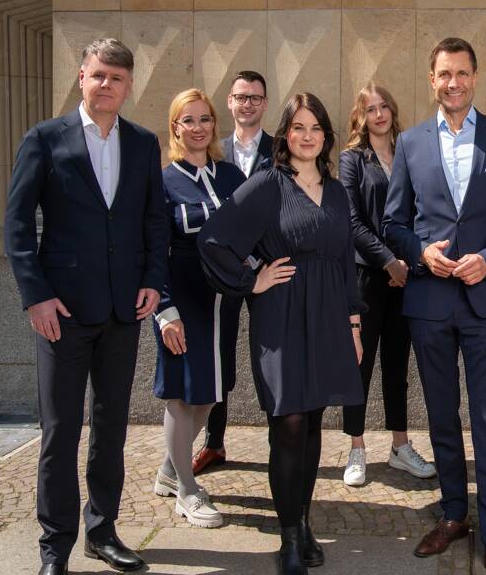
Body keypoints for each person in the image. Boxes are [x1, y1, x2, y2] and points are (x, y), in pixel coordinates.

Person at [3, 38, 169, 575]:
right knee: (60, 431)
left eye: (117, 78)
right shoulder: (44, 139)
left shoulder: (142, 143)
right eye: (98, 75)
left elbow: (154, 220)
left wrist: (153, 280)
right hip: (62, 313)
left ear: (128, 85)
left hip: (124, 310)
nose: (106, 85)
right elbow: (17, 225)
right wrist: (36, 296)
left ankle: (102, 531)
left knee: (111, 427)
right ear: (81, 77)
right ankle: (54, 548)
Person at [383, 37, 486, 575]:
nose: (454, 83)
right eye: (444, 74)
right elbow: (393, 223)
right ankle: (453, 514)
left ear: (475, 76)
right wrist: (420, 253)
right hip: (429, 303)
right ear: (432, 80)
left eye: (463, 73)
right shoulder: (410, 142)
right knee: (442, 417)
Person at [198, 93, 365, 575]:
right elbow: (213, 239)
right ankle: (288, 538)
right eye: (298, 127)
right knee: (288, 423)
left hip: (329, 317)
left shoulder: (337, 192)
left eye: (316, 128)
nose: (307, 136)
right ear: (285, 135)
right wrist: (252, 280)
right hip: (282, 317)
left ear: (326, 136)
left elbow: (345, 263)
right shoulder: (267, 184)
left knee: (311, 424)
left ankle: (304, 523)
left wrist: (354, 323)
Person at [150, 88, 247, 529]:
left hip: (222, 303)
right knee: (182, 392)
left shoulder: (230, 176)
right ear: (175, 127)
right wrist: (164, 310)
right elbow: (152, 250)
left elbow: (251, 230)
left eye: (204, 119)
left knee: (212, 390)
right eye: (188, 120)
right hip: (181, 300)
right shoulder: (163, 181)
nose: (197, 127)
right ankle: (186, 491)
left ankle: (169, 469)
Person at [339, 82, 436, 486]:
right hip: (367, 275)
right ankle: (356, 448)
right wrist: (387, 261)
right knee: (358, 364)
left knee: (397, 365)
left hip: (406, 276)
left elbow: (421, 211)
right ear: (360, 117)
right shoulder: (352, 159)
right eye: (370, 109)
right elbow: (351, 220)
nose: (378, 114)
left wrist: (408, 261)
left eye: (384, 107)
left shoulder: (409, 152)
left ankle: (400, 446)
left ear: (393, 111)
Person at [193, 69, 274, 475]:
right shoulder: (213, 150)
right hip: (223, 275)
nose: (247, 104)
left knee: (272, 355)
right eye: (241, 97)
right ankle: (214, 441)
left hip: (267, 271)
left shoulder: (280, 151)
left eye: (255, 97)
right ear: (229, 102)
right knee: (219, 354)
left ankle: (280, 440)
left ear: (265, 104)